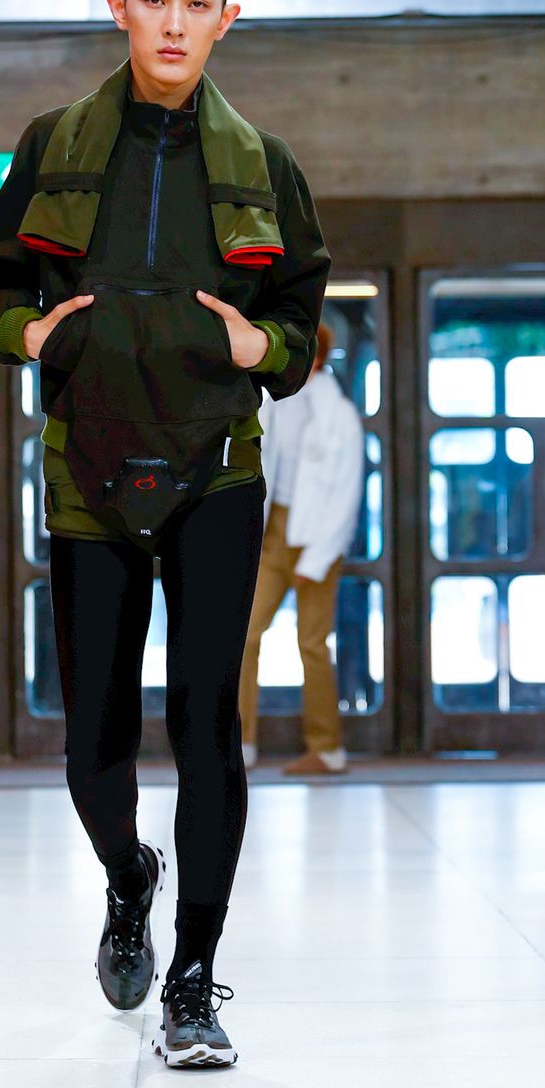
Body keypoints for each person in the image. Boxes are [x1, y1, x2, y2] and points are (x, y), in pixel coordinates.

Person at [0, 0, 330, 1070]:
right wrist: (30, 332)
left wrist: (264, 350)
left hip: (217, 470)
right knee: (91, 748)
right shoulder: (52, 143)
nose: (172, 23)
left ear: (226, 18)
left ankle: (192, 984)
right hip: (88, 476)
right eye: (152, 0)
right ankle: (128, 877)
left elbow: (300, 321)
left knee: (207, 729)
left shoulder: (265, 164)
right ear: (118, 8)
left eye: (194, 3)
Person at [238, 322, 365, 776]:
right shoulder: (273, 402)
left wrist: (317, 558)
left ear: (318, 358)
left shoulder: (340, 415)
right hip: (275, 532)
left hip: (317, 539)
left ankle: (327, 749)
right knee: (245, 635)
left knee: (312, 643)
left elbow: (346, 495)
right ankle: (240, 744)